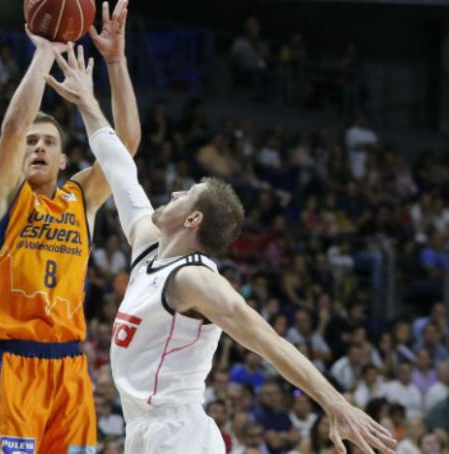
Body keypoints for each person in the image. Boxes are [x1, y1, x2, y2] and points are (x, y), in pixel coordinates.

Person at [47, 43, 397, 454]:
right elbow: (121, 169)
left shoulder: (194, 279)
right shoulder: (148, 247)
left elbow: (269, 341)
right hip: (142, 429)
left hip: (179, 434)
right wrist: (93, 94)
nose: (175, 192)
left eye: (186, 194)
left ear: (193, 220)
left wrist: (335, 404)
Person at [0, 1, 141, 452]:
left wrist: (115, 64)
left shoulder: (80, 198)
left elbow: (127, 145)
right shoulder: (3, 196)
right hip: (12, 365)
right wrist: (45, 51)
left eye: (49, 143)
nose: (38, 148)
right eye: (32, 143)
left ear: (64, 159)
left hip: (69, 367)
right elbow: (12, 128)